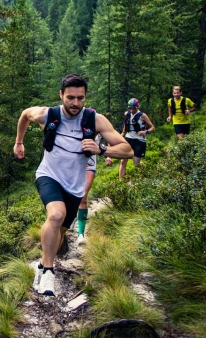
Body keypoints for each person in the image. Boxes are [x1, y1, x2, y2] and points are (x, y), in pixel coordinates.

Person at [13, 74, 133, 296]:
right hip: (48, 175)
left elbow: (127, 150)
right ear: (61, 95)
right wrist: (19, 142)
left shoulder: (95, 120)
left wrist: (101, 149)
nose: (75, 103)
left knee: (60, 233)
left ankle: (41, 265)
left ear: (85, 97)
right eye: (70, 98)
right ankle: (48, 272)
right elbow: (25, 115)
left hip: (75, 186)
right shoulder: (47, 114)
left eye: (80, 98)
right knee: (56, 215)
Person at [118, 98, 155, 181]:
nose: (132, 110)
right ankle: (121, 181)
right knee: (123, 161)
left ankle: (147, 168)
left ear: (138, 107)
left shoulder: (143, 115)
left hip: (139, 141)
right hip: (128, 138)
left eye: (134, 108)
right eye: (130, 108)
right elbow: (126, 125)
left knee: (136, 164)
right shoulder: (127, 114)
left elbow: (152, 127)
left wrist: (145, 132)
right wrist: (122, 134)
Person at [77, 132, 102, 246]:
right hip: (73, 164)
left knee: (83, 197)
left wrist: (108, 155)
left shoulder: (98, 124)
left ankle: (80, 234)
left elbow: (111, 139)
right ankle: (71, 217)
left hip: (89, 165)